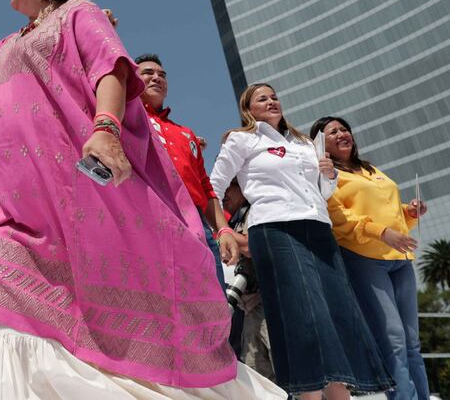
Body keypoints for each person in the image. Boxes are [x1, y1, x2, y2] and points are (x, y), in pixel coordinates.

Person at [0, 0, 279, 398]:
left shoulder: (78, 14)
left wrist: (107, 128)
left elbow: (110, 67)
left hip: (71, 211)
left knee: (89, 339)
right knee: (2, 322)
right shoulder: (5, 47)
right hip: (10, 217)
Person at [209, 84, 392, 399]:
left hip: (318, 230)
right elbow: (213, 184)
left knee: (337, 313)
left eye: (274, 96)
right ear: (248, 109)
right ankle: (307, 395)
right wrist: (223, 229)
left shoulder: (307, 143)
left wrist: (329, 176)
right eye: (262, 98)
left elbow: (321, 193)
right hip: (276, 229)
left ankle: (339, 394)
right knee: (302, 316)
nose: (271, 101)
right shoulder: (243, 139)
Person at [311, 116, 429, 400]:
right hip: (363, 260)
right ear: (320, 144)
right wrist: (381, 232)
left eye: (344, 128)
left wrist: (409, 212)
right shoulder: (326, 177)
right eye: (333, 132)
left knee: (412, 342)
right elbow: (339, 219)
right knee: (394, 341)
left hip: (400, 260)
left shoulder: (370, 169)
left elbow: (389, 212)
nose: (342, 133)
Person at [134, 53, 234, 287]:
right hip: (149, 215)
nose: (157, 77)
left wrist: (224, 230)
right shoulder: (128, 118)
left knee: (213, 300)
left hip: (197, 225)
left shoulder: (186, 134)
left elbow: (206, 188)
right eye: (148, 73)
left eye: (162, 75)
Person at [222, 179, 274, 382]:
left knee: (284, 365)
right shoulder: (236, 220)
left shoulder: (255, 210)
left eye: (230, 187)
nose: (224, 194)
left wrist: (223, 233)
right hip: (250, 307)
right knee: (256, 374)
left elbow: (253, 246)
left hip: (270, 302)